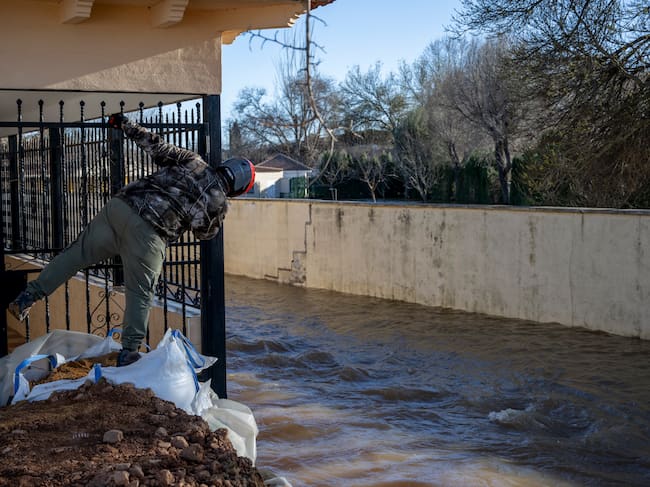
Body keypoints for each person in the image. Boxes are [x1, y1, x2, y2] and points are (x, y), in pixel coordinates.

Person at [8, 113, 255, 366]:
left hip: (121, 207)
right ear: (238, 190)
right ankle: (128, 352)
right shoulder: (217, 202)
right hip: (150, 233)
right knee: (141, 293)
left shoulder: (193, 160)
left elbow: (155, 144)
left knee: (74, 256)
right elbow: (204, 233)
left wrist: (125, 124)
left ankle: (27, 297)